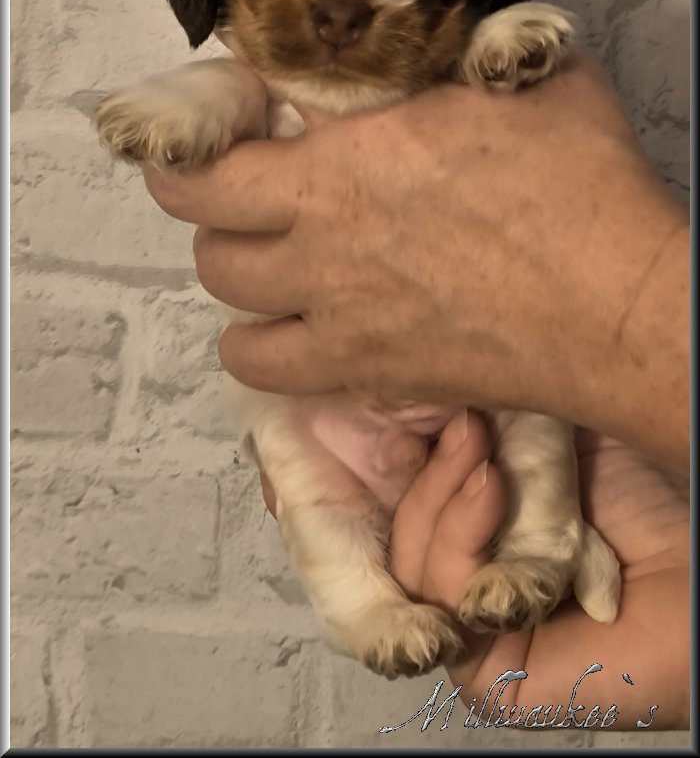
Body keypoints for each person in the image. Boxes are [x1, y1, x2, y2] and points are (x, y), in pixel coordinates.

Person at [144, 52, 690, 730]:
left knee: (532, 409)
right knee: (290, 440)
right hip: (338, 424)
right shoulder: (248, 87)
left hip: (490, 396)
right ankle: (361, 606)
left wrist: (628, 309)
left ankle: (540, 549)